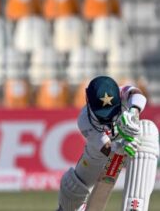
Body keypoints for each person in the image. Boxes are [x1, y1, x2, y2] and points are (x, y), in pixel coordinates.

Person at [57, 76, 159, 211]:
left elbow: (138, 95)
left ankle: (134, 207)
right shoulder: (84, 120)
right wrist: (120, 146)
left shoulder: (123, 92)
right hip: (97, 156)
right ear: (89, 103)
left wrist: (133, 112)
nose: (109, 120)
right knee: (71, 191)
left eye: (112, 112)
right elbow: (105, 147)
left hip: (130, 146)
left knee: (147, 131)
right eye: (103, 116)